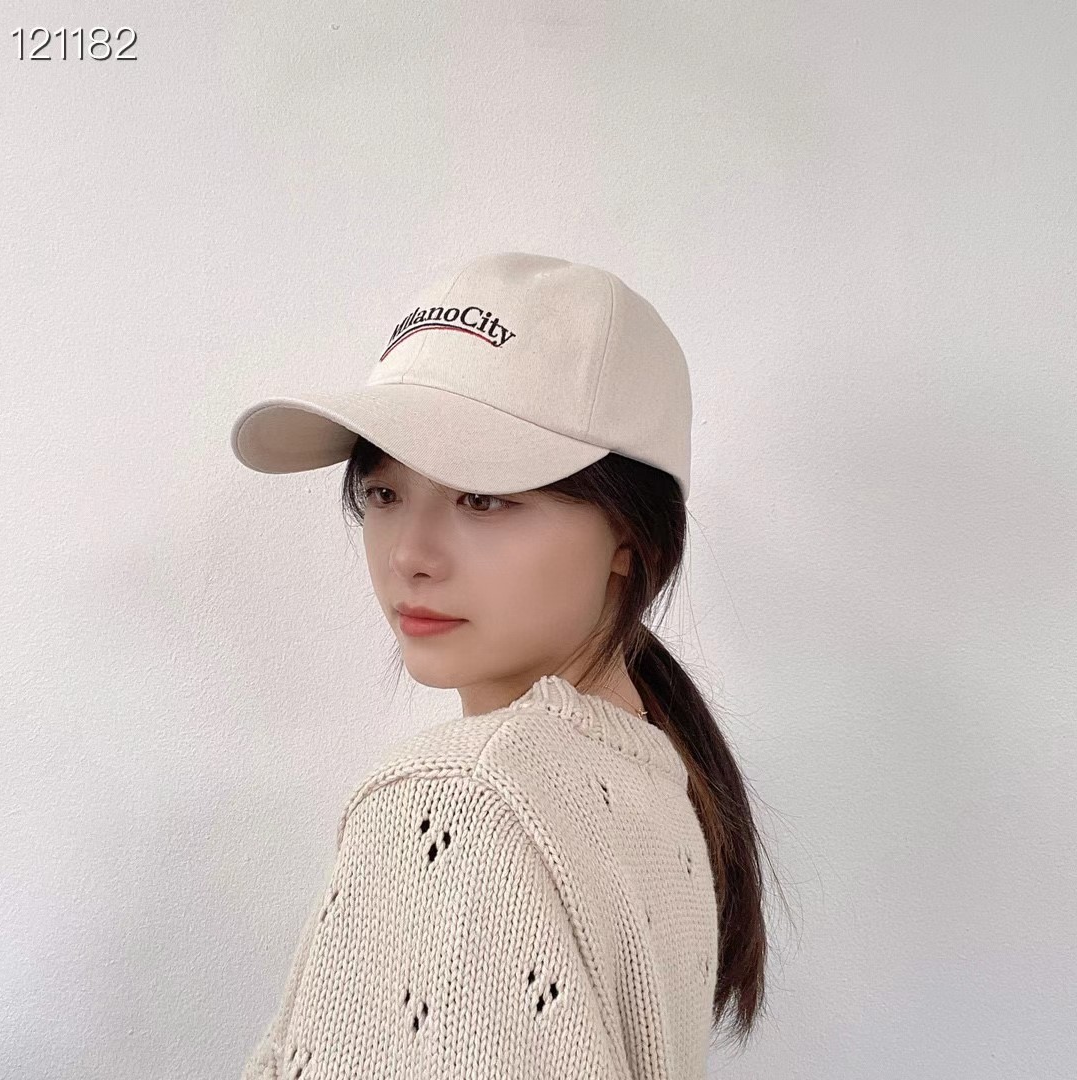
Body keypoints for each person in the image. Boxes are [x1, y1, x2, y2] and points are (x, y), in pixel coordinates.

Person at [229, 251, 776, 1079]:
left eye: (482, 498)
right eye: (383, 493)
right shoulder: (659, 779)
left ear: (630, 536)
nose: (409, 555)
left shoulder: (464, 797)